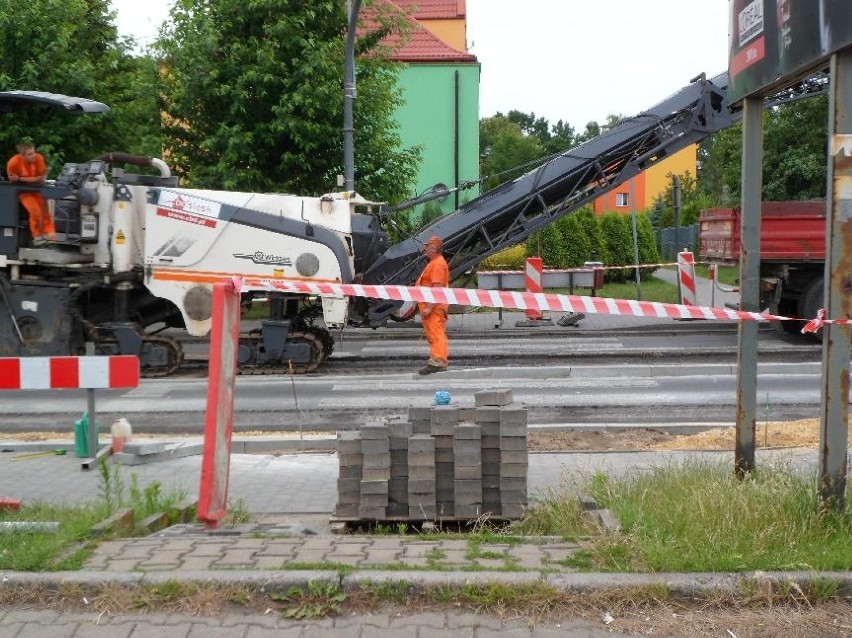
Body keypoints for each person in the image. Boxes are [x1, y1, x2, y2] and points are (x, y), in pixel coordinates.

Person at [6, 140, 56, 246]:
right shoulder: (13, 163)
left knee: (44, 211)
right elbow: (13, 181)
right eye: (30, 154)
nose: (34, 156)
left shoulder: (39, 158)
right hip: (23, 191)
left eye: (34, 152)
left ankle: (50, 234)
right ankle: (37, 236)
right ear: (22, 156)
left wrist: (21, 178)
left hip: (38, 188)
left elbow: (40, 179)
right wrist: (25, 180)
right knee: (35, 211)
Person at [416, 235, 450, 375]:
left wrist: (429, 307)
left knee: (436, 333)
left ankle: (438, 361)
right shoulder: (434, 263)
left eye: (427, 247)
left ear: (434, 248)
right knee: (434, 334)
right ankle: (437, 359)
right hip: (433, 307)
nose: (425, 249)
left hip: (434, 307)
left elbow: (437, 289)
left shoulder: (437, 264)